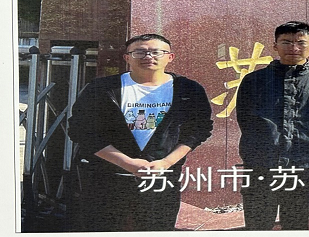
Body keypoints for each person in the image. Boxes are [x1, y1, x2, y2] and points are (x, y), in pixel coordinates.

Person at [68, 34, 213, 231]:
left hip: (161, 179)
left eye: (156, 52)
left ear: (170, 57)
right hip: (107, 179)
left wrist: (166, 163)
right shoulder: (102, 89)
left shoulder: (188, 90)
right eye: (140, 52)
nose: (148, 57)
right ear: (127, 57)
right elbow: (81, 129)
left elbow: (199, 130)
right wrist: (127, 163)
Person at [236, 21, 309, 230]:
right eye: (286, 42)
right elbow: (245, 120)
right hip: (261, 165)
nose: (293, 48)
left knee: (296, 225)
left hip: (303, 167)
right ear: (275, 45)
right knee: (257, 225)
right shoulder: (254, 80)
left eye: (301, 42)